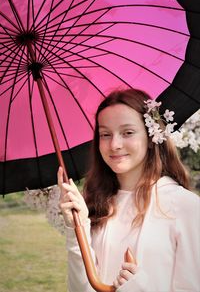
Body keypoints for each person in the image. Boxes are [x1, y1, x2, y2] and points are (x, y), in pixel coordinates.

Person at [57, 88, 200, 292]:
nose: (114, 144)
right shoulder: (97, 206)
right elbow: (79, 289)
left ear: (151, 137)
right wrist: (77, 229)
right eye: (105, 134)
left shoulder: (185, 206)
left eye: (128, 133)